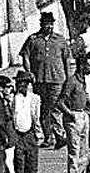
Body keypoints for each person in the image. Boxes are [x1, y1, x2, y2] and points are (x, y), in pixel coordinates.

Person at [19, 9, 71, 148]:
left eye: (51, 24)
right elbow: (25, 56)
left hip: (57, 80)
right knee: (43, 110)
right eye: (46, 24)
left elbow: (66, 60)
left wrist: (68, 77)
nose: (49, 27)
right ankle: (49, 137)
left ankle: (59, 135)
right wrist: (29, 73)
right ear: (41, 24)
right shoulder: (33, 39)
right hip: (40, 80)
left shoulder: (60, 40)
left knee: (54, 107)